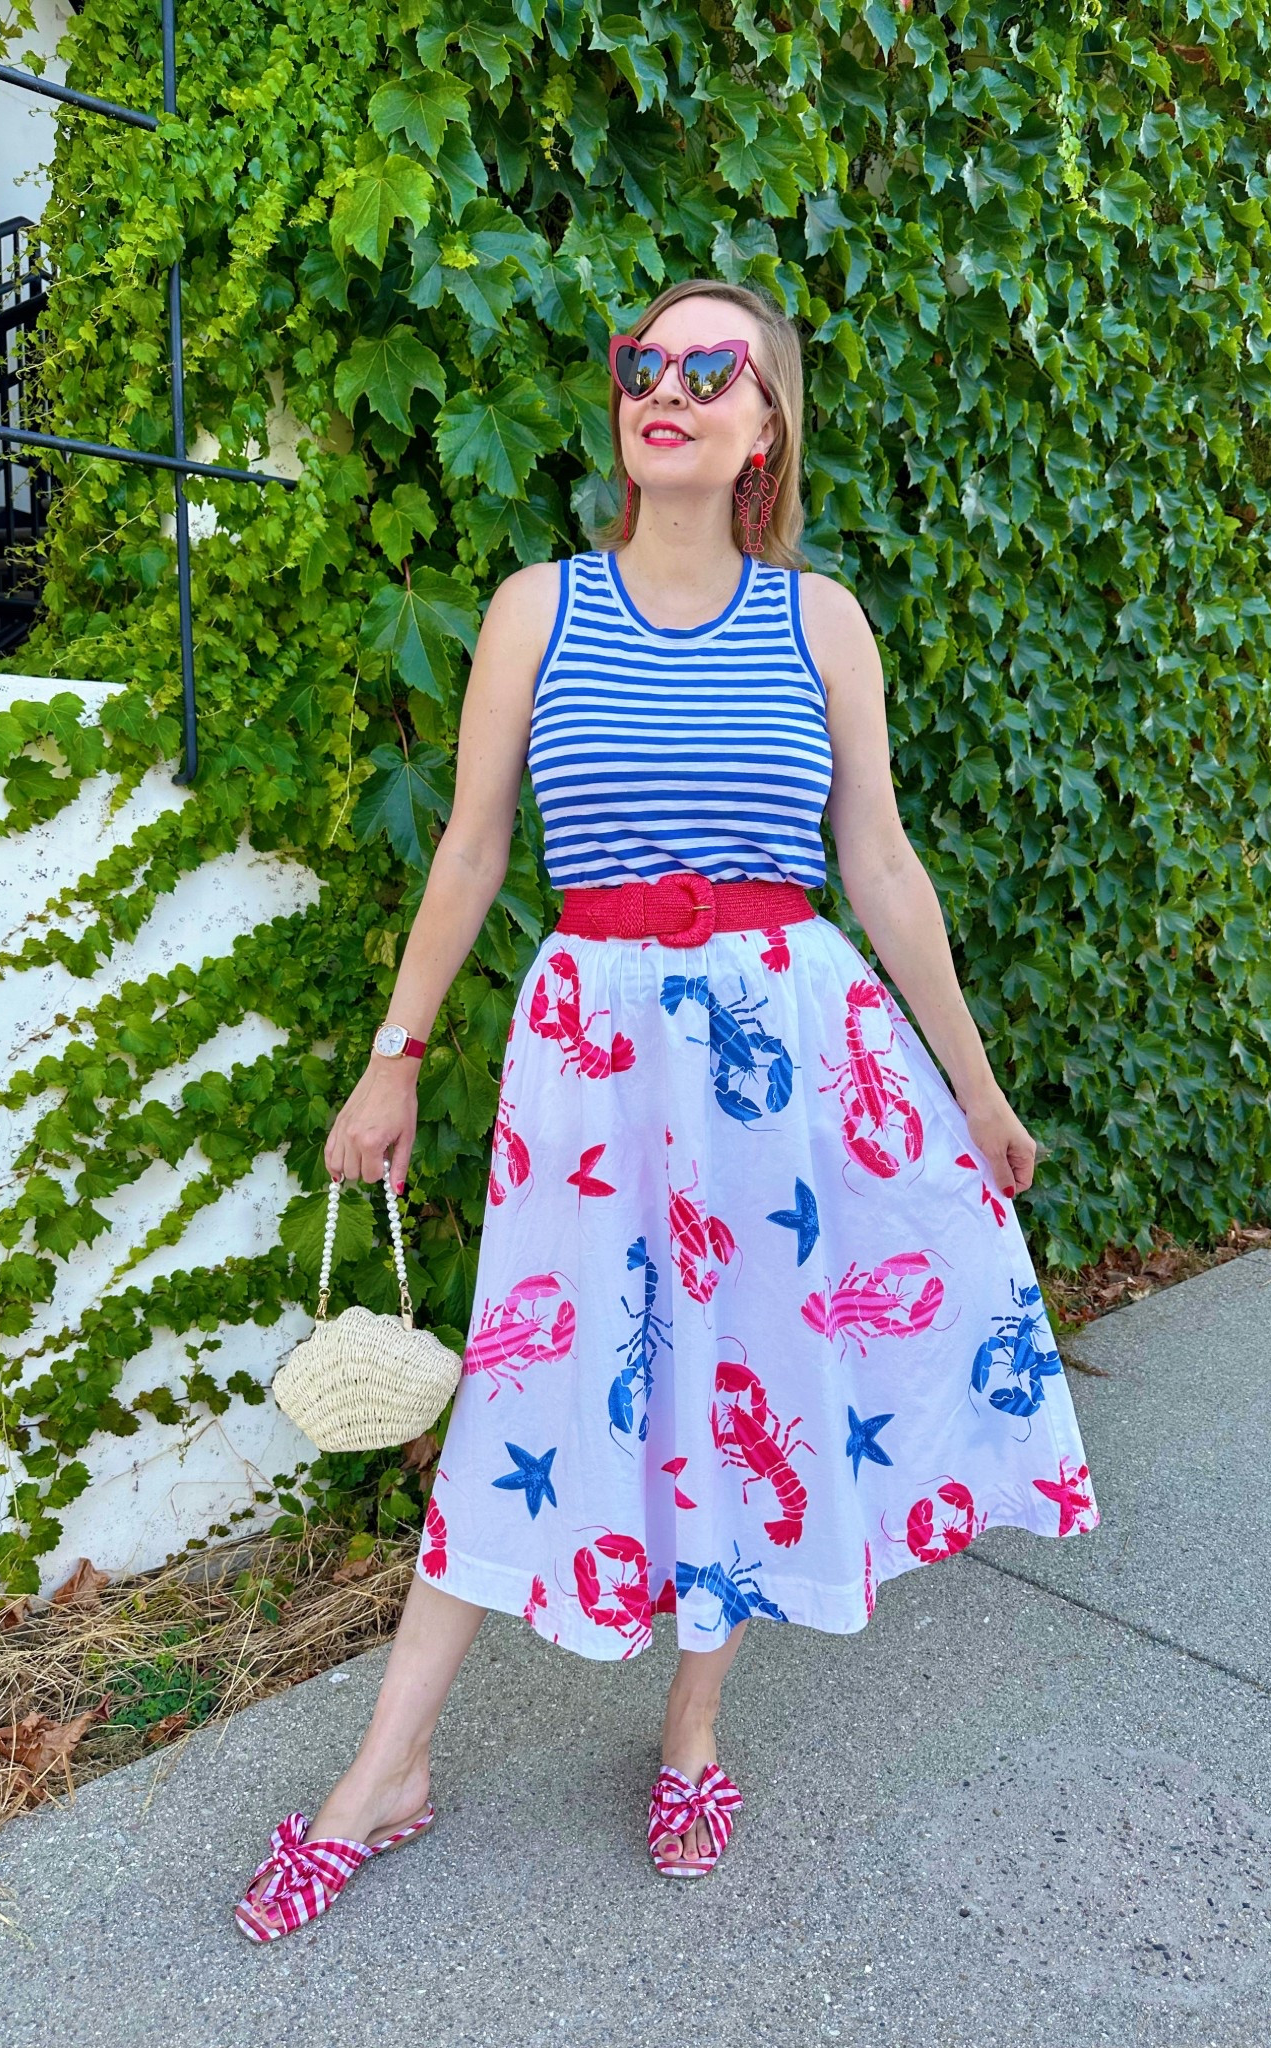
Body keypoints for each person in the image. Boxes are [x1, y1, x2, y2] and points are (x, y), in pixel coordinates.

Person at [234, 277, 1101, 1941]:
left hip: (786, 1063)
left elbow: (885, 869)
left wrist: (978, 1093)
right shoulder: (535, 610)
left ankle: (693, 1731)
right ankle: (383, 1775)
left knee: (755, 1391)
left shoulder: (823, 622)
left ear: (766, 427)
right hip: (595, 1061)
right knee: (524, 1391)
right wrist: (395, 1052)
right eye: (647, 363)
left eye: (717, 369)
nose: (671, 387)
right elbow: (474, 851)